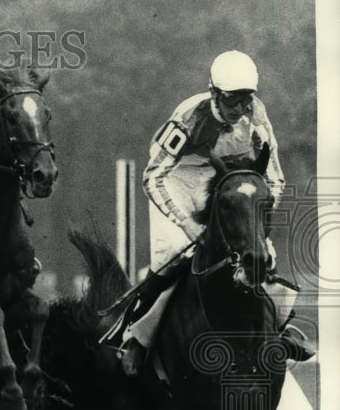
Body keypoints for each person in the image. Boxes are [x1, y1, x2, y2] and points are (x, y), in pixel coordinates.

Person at [110, 50, 315, 375]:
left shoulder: (257, 118)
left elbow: (275, 178)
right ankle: (134, 336)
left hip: (225, 182)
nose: (240, 108)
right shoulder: (190, 117)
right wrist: (187, 224)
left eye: (246, 99)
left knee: (263, 254)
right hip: (177, 180)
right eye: (232, 99)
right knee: (173, 253)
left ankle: (282, 328)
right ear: (214, 93)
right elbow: (153, 176)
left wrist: (257, 221)